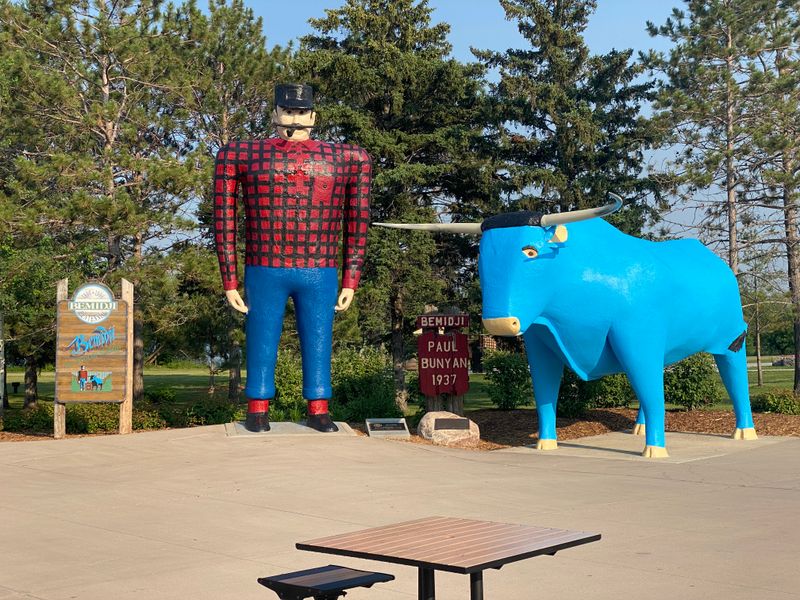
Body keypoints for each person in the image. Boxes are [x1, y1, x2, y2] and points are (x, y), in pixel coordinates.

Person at [213, 83, 372, 433]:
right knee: (261, 334)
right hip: (265, 264)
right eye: (288, 112)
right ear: (274, 114)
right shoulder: (241, 155)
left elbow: (358, 220)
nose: (294, 119)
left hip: (320, 266)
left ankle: (318, 407)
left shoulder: (349, 158)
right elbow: (223, 217)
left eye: (301, 113)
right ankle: (257, 407)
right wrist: (229, 279)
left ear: (313, 116)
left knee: (318, 336)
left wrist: (351, 278)